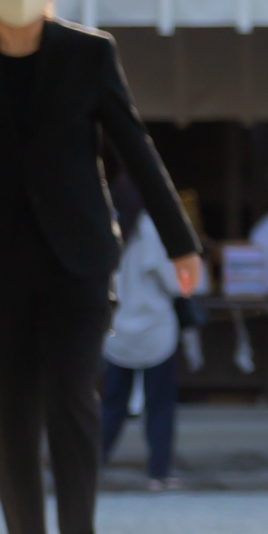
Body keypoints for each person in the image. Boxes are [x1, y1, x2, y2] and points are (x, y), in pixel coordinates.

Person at [0, 0, 202, 534]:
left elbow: (135, 147)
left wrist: (180, 242)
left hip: (77, 259)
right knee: (10, 414)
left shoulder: (87, 54)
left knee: (72, 404)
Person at [99, 175, 187, 491]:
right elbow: (174, 283)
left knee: (112, 404)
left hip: (117, 330)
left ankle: (93, 466)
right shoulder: (151, 231)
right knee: (160, 405)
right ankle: (158, 473)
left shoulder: (105, 228)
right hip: (155, 329)